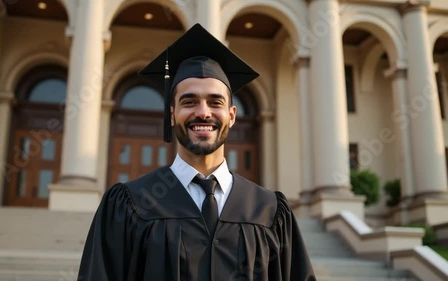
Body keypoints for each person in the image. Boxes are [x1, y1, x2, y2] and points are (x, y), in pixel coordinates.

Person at [77, 23, 316, 281]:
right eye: (189, 102)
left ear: (232, 116)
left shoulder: (270, 211)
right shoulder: (130, 204)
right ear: (172, 115)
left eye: (216, 102)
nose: (203, 112)